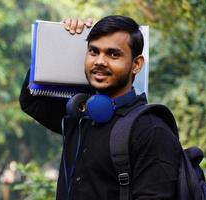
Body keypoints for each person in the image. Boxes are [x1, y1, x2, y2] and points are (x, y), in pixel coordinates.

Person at [19, 15, 181, 200]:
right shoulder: (81, 117)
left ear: (136, 64)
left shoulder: (151, 130)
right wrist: (62, 41)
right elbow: (31, 100)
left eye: (113, 54)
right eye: (93, 52)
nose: (99, 61)